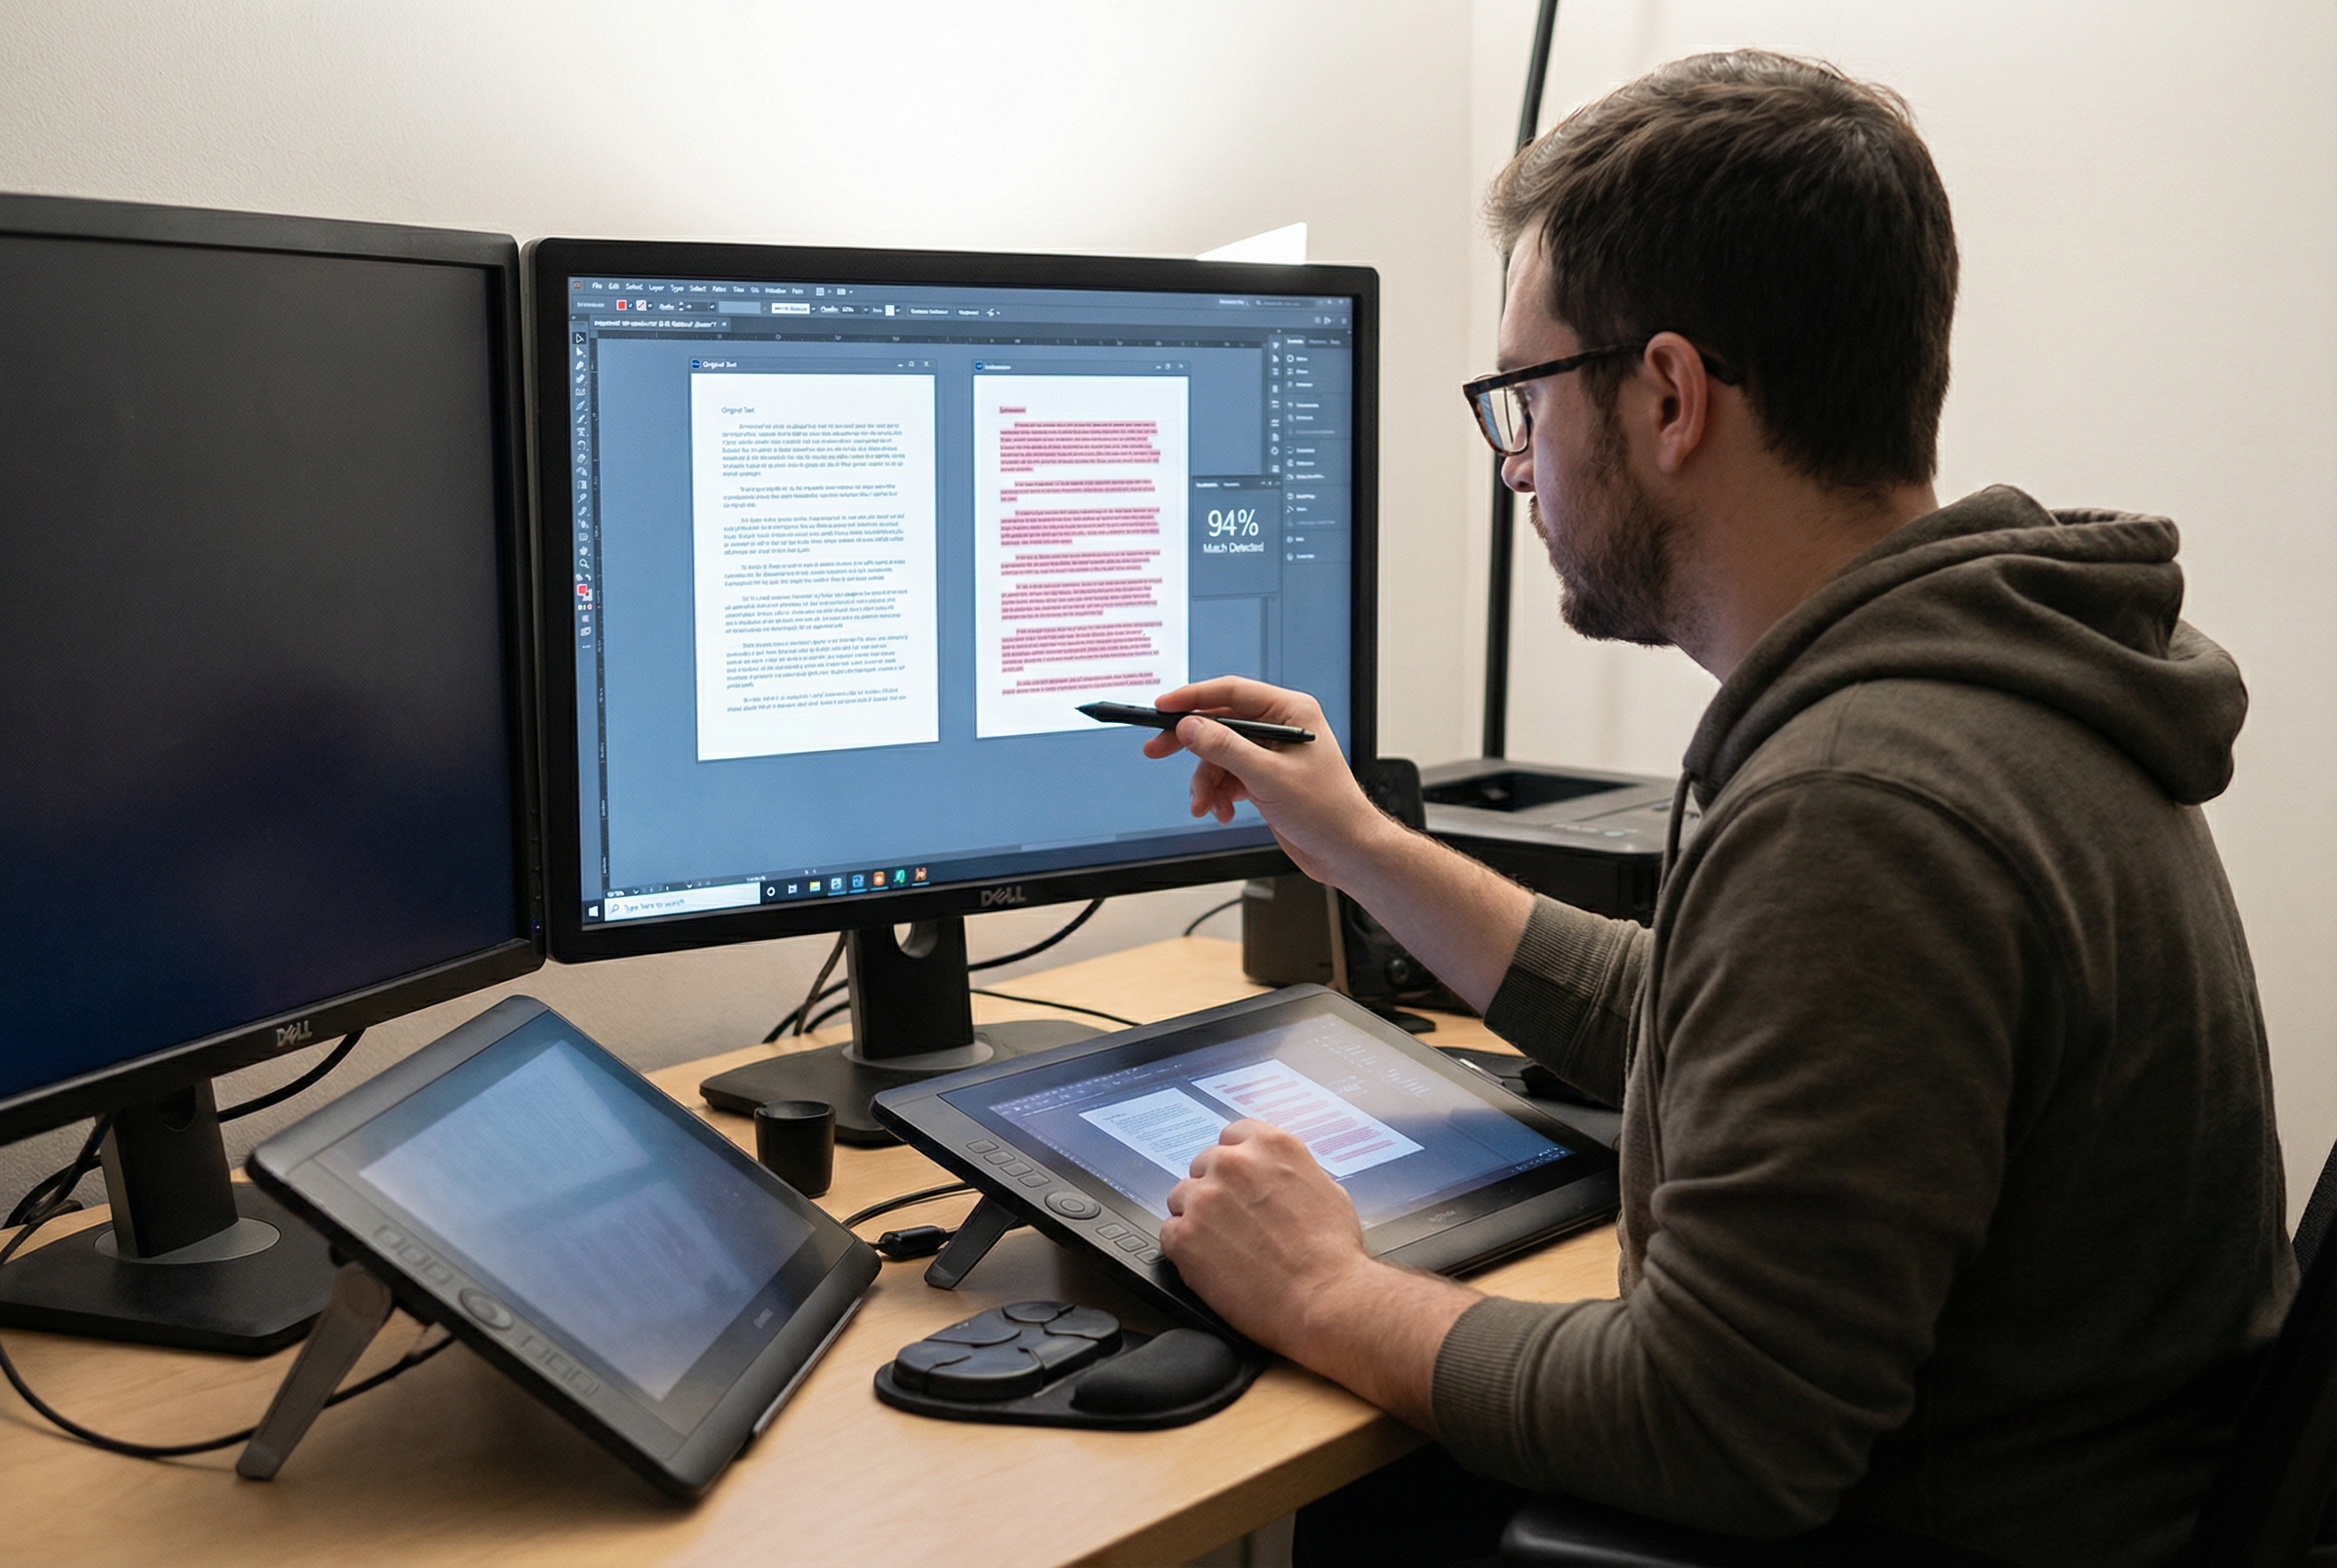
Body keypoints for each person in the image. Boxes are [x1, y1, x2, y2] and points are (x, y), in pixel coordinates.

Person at [1139, 50, 2294, 1567]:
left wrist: (1321, 1291)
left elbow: (1715, 1427)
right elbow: (1704, 1020)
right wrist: (1360, 846)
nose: (1518, 467)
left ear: (1670, 395)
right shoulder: (1994, 684)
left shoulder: (1866, 804)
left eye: (1524, 399)